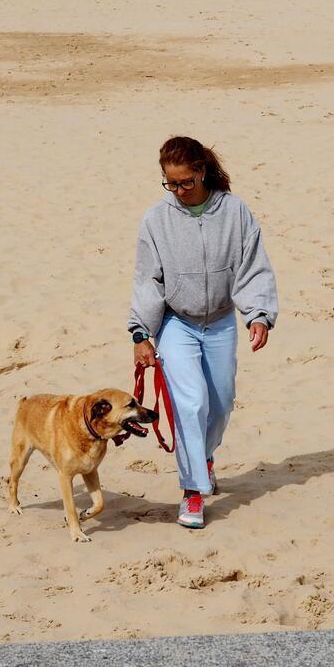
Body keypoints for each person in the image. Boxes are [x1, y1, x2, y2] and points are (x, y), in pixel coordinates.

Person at [128, 136, 278, 529]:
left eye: (185, 182)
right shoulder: (155, 219)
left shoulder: (234, 211)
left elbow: (252, 266)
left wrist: (258, 315)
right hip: (177, 323)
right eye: (170, 183)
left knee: (221, 402)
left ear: (202, 172)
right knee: (190, 405)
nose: (178, 191)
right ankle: (192, 491)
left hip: (222, 322)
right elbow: (148, 280)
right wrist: (141, 333)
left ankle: (205, 456)